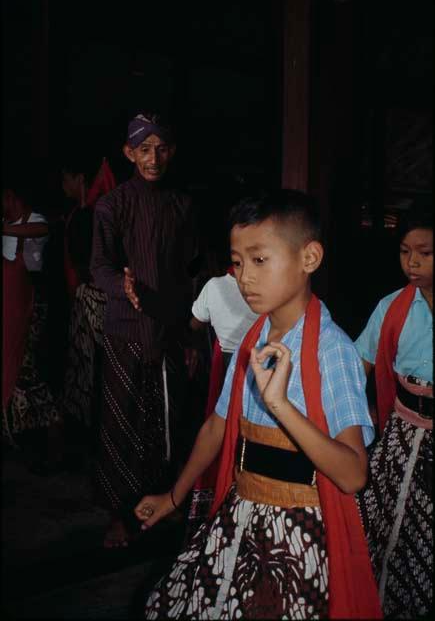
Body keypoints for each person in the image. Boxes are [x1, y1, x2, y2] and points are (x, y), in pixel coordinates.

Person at [135, 190, 382, 619]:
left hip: (296, 532)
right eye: (237, 262)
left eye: (260, 260)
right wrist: (173, 498)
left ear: (309, 258)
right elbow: (217, 426)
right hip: (240, 514)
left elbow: (353, 474)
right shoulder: (255, 337)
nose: (244, 277)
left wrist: (281, 406)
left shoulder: (332, 351)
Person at [91, 112, 198, 549]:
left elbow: (192, 269)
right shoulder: (111, 206)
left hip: (170, 329)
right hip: (125, 328)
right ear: (129, 153)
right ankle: (118, 514)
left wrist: (192, 330)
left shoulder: (183, 205)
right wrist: (123, 285)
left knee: (168, 421)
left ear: (170, 152)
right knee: (121, 422)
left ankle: (162, 504)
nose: (154, 158)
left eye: (162, 148)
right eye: (144, 149)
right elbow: (99, 266)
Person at [355, 203, 433, 619]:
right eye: (405, 251)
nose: (412, 262)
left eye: (425, 251)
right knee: (386, 531)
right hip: (401, 438)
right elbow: (356, 368)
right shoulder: (392, 308)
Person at [187, 264, 260, 532]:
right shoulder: (268, 291)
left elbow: (194, 323)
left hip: (231, 368)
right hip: (248, 371)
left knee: (221, 437)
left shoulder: (215, 287)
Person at [2, 178, 62, 471]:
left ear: (10, 195)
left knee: (25, 369)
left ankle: (53, 431)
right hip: (8, 307)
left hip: (32, 304)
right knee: (13, 370)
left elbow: (44, 228)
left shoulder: (33, 220)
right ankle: (25, 437)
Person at [58, 156, 115, 439]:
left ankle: (89, 438)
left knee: (87, 372)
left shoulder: (88, 215)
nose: (63, 185)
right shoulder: (98, 212)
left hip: (90, 300)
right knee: (93, 372)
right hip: (100, 301)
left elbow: (84, 262)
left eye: (66, 178)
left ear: (80, 179)